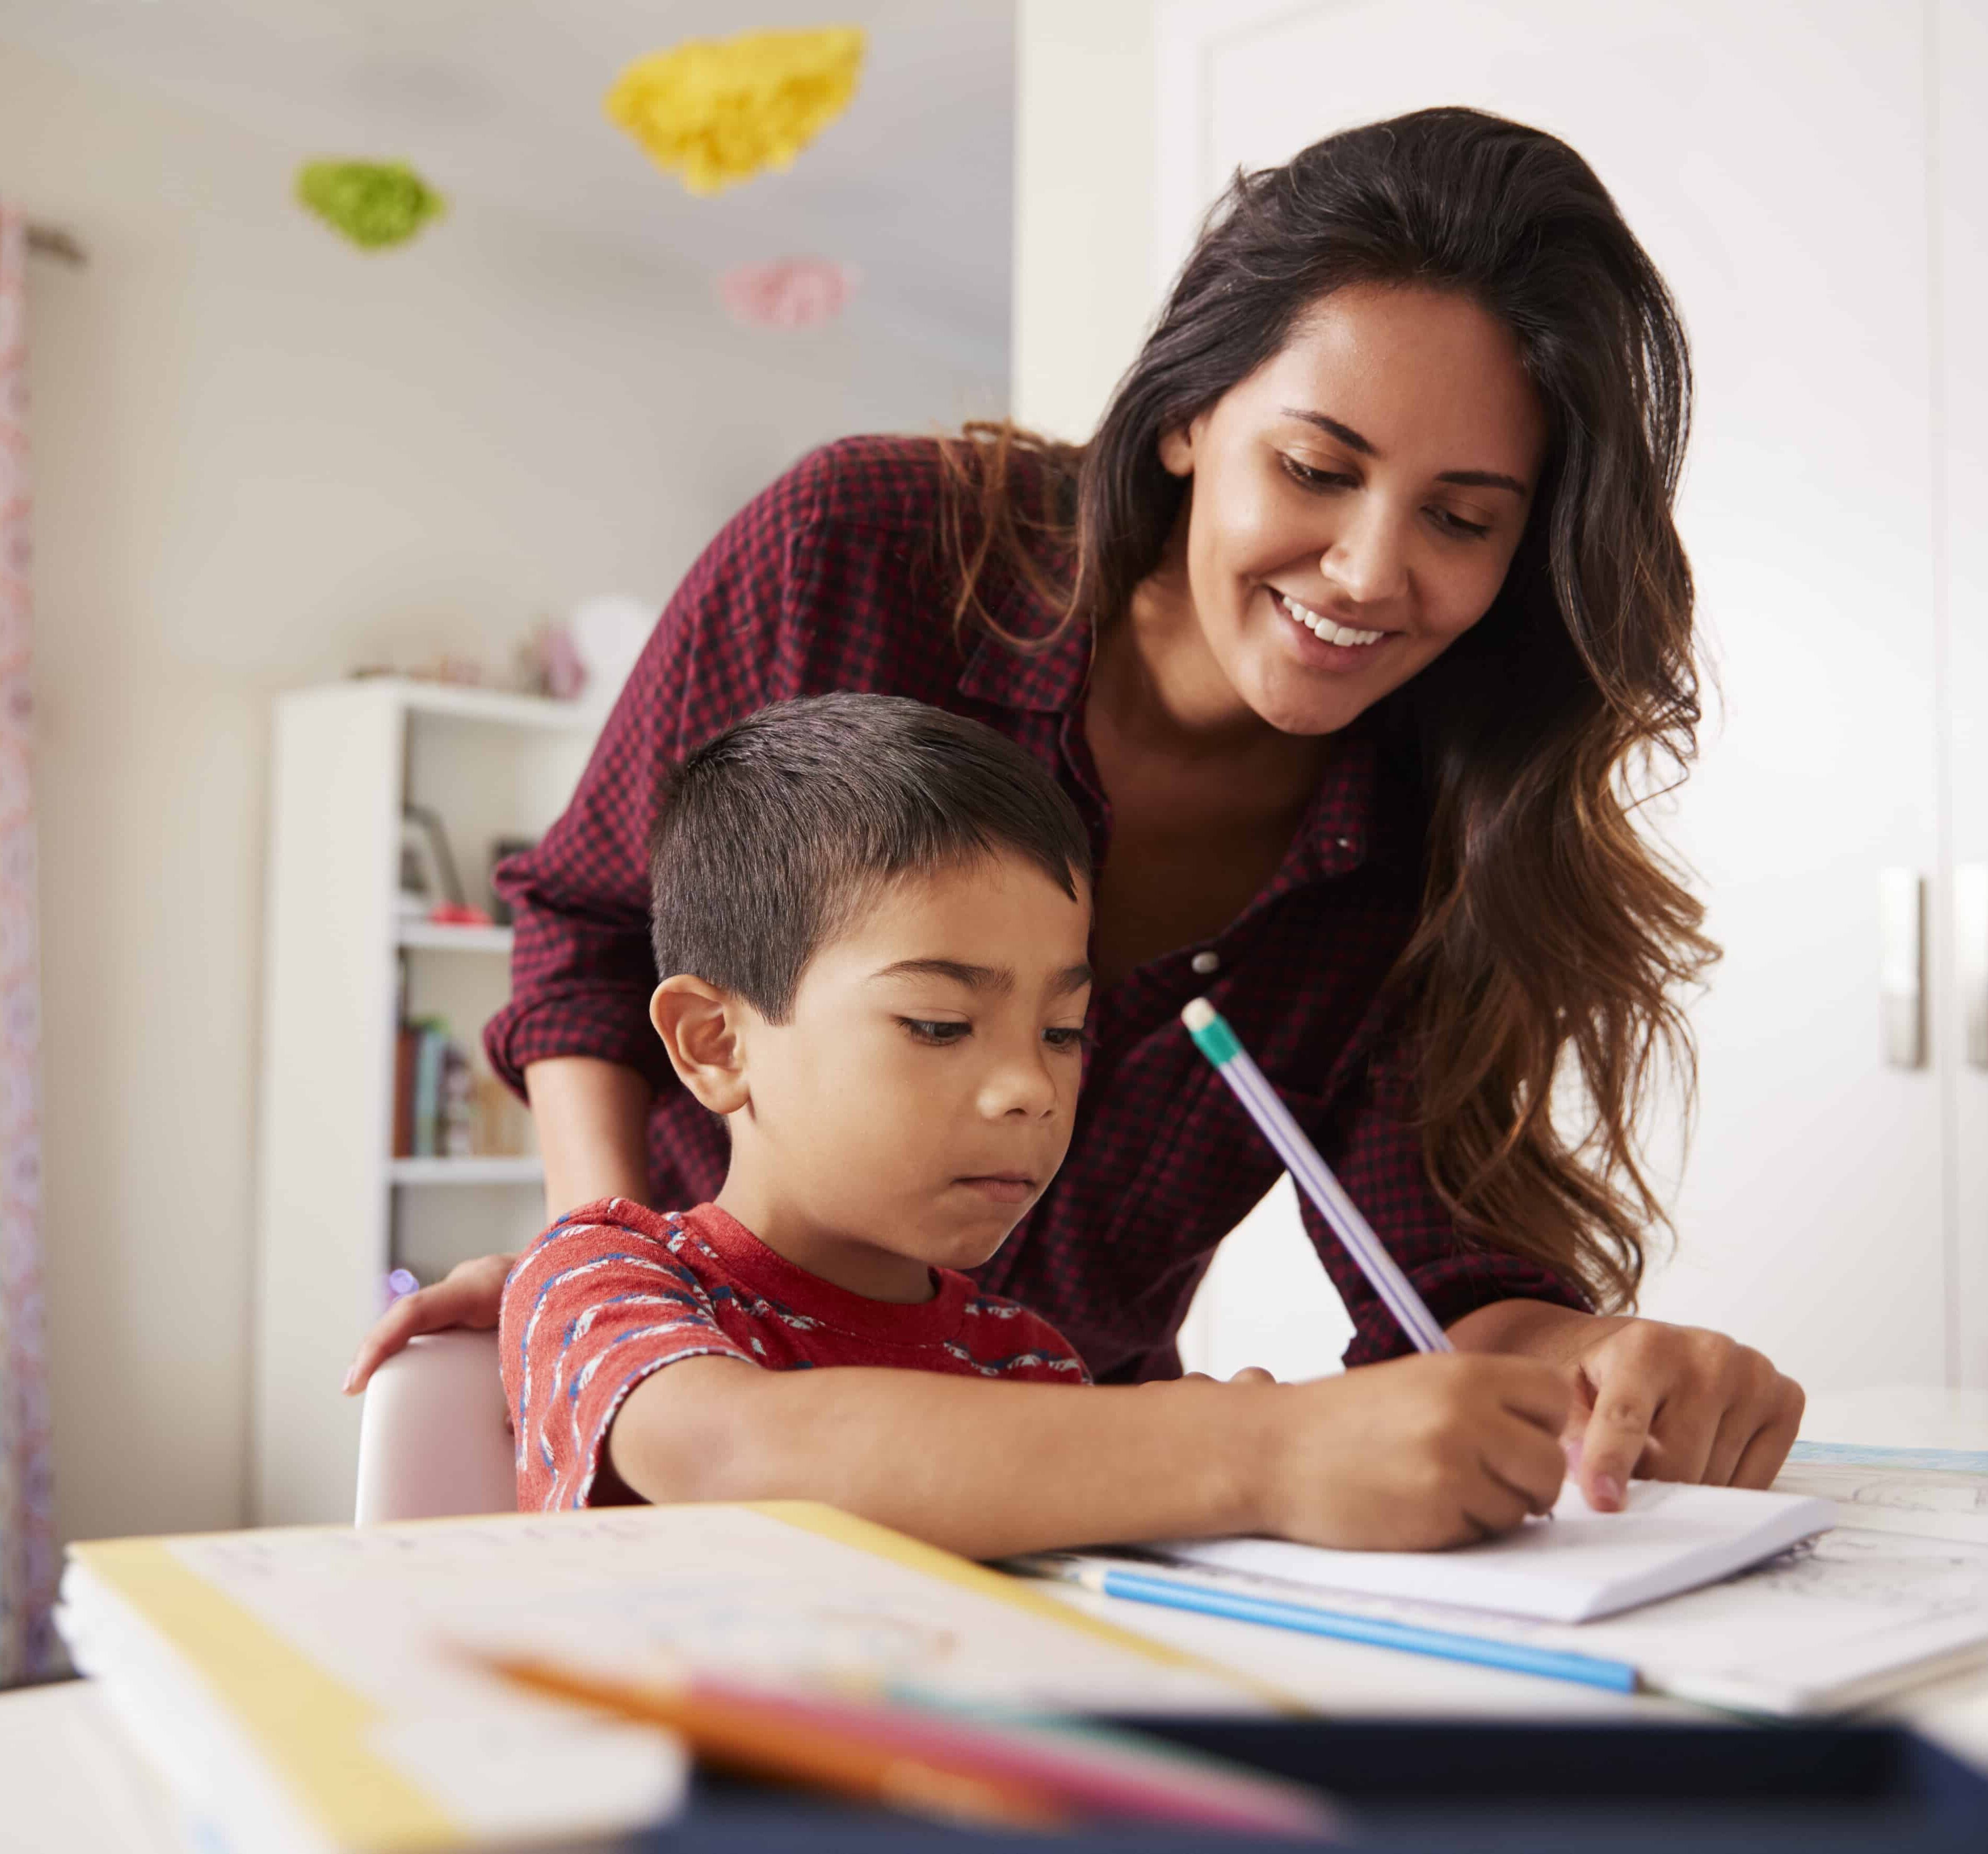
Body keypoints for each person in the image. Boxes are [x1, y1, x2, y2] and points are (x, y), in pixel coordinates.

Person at [347, 108, 1805, 1514]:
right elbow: (594, 934)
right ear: (1187, 415)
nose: (1367, 569)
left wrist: (1594, 1368)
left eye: (1463, 518)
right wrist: (599, 1255)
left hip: (1071, 1505)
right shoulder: (859, 549)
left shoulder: (1437, 833)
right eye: (1314, 469)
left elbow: (1441, 1289)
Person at [510, 692, 1573, 1558]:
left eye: (1064, 1031)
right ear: (714, 1042)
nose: (1030, 1086)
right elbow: (734, 1456)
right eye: (939, 1022)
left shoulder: (1023, 1364)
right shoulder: (604, 1277)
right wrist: (1261, 1449)